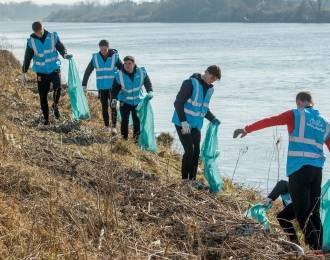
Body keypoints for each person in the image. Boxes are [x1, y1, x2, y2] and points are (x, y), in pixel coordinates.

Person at [234, 91, 330, 250]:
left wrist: (247, 129)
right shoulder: (324, 122)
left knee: (303, 215)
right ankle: (315, 249)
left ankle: (316, 251)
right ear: (311, 103)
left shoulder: (296, 114)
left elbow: (271, 121)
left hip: (299, 169)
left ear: (299, 102)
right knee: (314, 213)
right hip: (317, 171)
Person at [172, 65, 221, 180]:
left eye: (215, 79)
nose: (212, 80)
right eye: (211, 77)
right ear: (206, 72)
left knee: (196, 153)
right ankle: (184, 181)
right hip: (182, 123)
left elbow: (203, 108)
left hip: (195, 125)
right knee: (189, 151)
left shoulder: (210, 90)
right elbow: (178, 103)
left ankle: (192, 180)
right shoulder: (190, 83)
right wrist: (183, 122)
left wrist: (213, 118)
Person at [22, 21, 72, 125]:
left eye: (40, 32)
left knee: (58, 87)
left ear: (43, 28)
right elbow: (27, 56)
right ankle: (46, 119)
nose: (39, 34)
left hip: (54, 68)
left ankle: (55, 105)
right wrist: (24, 70)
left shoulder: (53, 36)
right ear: (34, 31)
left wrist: (65, 55)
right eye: (37, 33)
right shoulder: (31, 42)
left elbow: (60, 47)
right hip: (41, 72)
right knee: (42, 96)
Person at [82, 40, 122, 134]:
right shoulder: (95, 58)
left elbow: (122, 69)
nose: (103, 51)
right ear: (99, 48)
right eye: (101, 49)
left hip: (113, 87)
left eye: (105, 49)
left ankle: (114, 127)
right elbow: (88, 71)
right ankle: (106, 126)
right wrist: (84, 84)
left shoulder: (115, 57)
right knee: (104, 106)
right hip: (101, 87)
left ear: (108, 47)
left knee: (113, 106)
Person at [111, 55, 153, 140]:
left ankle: (136, 141)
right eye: (125, 63)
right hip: (124, 101)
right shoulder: (119, 75)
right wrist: (114, 99)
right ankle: (124, 139)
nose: (127, 65)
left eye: (129, 63)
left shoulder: (141, 72)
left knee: (137, 122)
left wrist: (150, 91)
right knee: (124, 121)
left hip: (137, 102)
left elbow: (147, 83)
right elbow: (115, 89)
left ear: (134, 64)